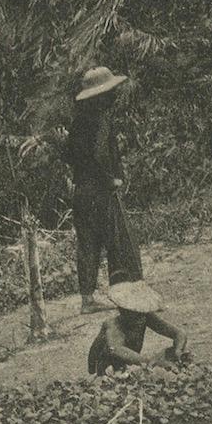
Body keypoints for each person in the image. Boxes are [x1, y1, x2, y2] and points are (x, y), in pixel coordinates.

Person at [64, 65, 142, 313]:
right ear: (100, 96)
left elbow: (68, 154)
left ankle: (87, 299)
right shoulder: (100, 120)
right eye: (110, 92)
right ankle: (124, 293)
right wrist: (111, 179)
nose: (114, 96)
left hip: (81, 192)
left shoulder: (78, 122)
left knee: (88, 244)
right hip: (99, 191)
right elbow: (99, 156)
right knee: (117, 241)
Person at [85, 280, 191, 378]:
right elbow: (116, 349)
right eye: (135, 314)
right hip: (108, 367)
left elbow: (179, 333)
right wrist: (149, 361)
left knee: (171, 354)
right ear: (123, 311)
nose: (140, 318)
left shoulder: (145, 317)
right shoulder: (113, 325)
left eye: (141, 313)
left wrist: (178, 350)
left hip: (132, 364)